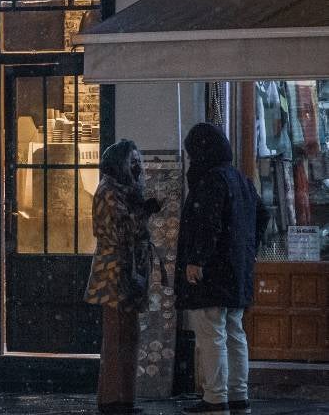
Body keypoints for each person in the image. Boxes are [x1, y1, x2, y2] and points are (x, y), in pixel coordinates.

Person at [176, 123, 269, 415]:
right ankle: (238, 393)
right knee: (234, 331)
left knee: (211, 331)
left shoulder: (211, 180)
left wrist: (196, 260)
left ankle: (216, 397)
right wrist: (245, 248)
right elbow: (262, 214)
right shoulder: (239, 178)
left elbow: (207, 224)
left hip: (213, 272)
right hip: (236, 270)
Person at [85, 139, 161, 415]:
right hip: (116, 271)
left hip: (128, 268)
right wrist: (142, 213)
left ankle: (123, 398)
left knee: (128, 335)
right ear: (120, 163)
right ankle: (112, 400)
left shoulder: (126, 190)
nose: (138, 164)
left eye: (139, 159)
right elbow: (118, 232)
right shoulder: (109, 191)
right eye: (132, 160)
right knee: (118, 335)